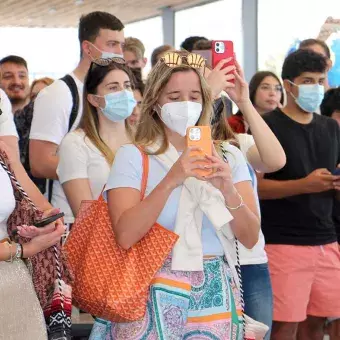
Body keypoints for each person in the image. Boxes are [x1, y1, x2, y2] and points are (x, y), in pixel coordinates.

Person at [90, 50, 260, 339]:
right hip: (146, 286)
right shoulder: (133, 156)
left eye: (194, 96)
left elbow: (250, 236)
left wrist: (228, 188)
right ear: (155, 103)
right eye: (174, 97)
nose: (186, 105)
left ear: (206, 102)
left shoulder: (228, 156)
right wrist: (172, 179)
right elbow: (126, 234)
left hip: (215, 288)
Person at [257, 49, 340, 340]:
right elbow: (255, 189)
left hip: (327, 239)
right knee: (285, 325)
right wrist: (302, 185)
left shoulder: (330, 127)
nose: (315, 88)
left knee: (321, 322)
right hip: (284, 242)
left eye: (320, 81)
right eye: (307, 81)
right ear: (289, 85)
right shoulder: (268, 126)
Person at [210, 60, 286, 340]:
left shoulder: (237, 144)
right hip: (205, 262)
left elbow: (276, 160)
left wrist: (244, 101)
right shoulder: (169, 148)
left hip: (249, 261)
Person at [29, 11, 125, 224]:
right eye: (111, 44)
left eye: (121, 45)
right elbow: (40, 162)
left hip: (114, 217)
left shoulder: (116, 95)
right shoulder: (60, 93)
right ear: (87, 48)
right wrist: (99, 168)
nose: (119, 52)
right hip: (71, 220)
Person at [0, 140, 66, 340]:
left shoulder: (3, 151)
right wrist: (23, 250)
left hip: (14, 285)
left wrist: (44, 224)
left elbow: (44, 209)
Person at [57, 58, 135, 222]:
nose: (123, 92)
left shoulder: (144, 141)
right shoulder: (76, 144)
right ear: (93, 99)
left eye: (127, 86)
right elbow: (86, 217)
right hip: (101, 242)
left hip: (146, 240)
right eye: (113, 87)